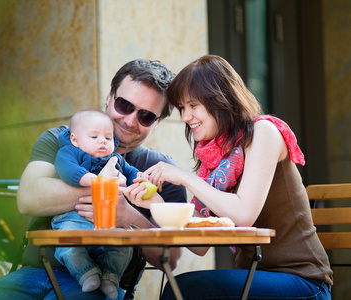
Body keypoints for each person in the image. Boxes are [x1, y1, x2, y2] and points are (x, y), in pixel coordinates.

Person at [0, 58, 187, 300]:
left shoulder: (161, 171)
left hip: (102, 285)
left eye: (145, 116)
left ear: (158, 123)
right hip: (34, 273)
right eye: (124, 105)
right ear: (109, 97)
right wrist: (104, 187)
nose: (130, 120)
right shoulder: (62, 139)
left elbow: (171, 261)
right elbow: (28, 198)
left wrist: (130, 218)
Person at [132, 55, 332, 299]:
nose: (185, 117)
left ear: (221, 99)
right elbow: (201, 245)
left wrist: (186, 178)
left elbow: (243, 215)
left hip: (303, 281)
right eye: (182, 108)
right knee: (180, 287)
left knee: (184, 289)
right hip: (254, 276)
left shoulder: (263, 132)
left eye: (193, 106)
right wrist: (156, 205)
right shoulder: (216, 155)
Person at [53, 109, 146, 299]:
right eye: (94, 136)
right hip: (73, 218)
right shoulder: (69, 152)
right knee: (66, 243)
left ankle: (110, 278)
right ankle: (86, 274)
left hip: (107, 222)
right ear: (75, 140)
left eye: (108, 137)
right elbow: (67, 169)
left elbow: (130, 172)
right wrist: (95, 181)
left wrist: (141, 179)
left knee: (122, 243)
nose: (102, 141)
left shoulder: (116, 159)